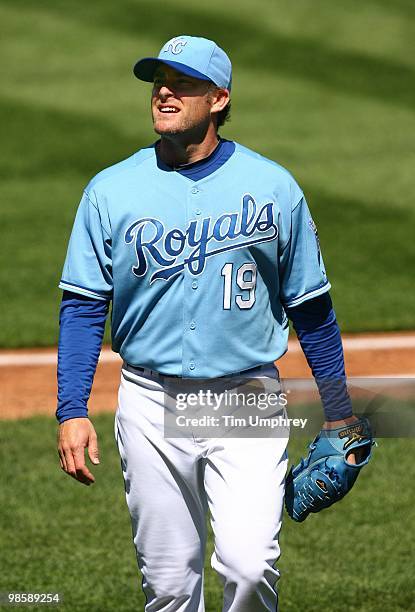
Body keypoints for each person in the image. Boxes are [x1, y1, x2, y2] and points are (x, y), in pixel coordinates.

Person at [56, 35, 363, 611]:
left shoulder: (274, 188)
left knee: (250, 567)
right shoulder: (110, 190)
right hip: (150, 399)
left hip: (244, 396)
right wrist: (72, 409)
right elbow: (82, 306)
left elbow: (313, 309)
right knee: (170, 586)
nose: (165, 92)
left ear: (219, 99)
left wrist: (341, 414)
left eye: (184, 83)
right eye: (158, 82)